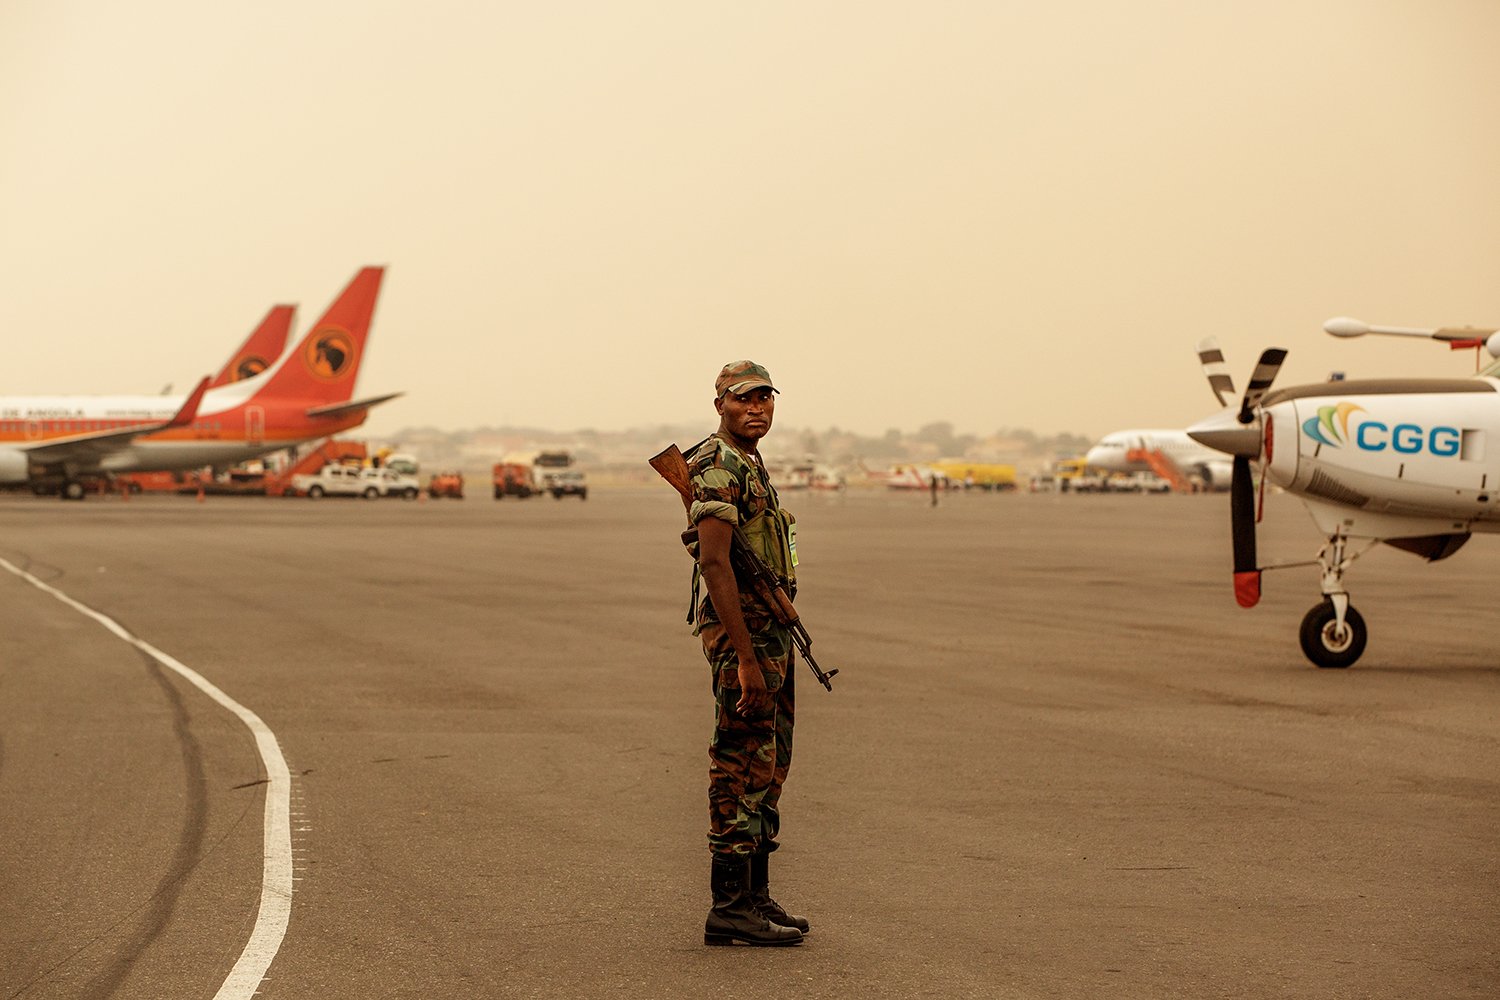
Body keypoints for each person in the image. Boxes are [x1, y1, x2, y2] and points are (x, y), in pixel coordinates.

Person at [685, 360, 808, 947]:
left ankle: (755, 894)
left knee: (771, 759)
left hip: (768, 633)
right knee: (739, 760)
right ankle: (728, 905)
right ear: (720, 406)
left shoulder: (749, 462)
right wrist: (746, 658)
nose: (757, 408)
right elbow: (713, 563)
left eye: (765, 398)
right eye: (743, 399)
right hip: (745, 639)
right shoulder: (716, 466)